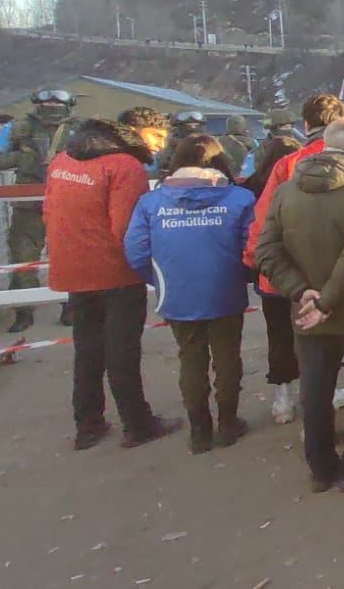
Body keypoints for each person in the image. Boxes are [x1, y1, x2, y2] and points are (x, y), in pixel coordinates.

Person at [255, 118, 344, 494]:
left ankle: (320, 468)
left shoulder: (286, 191)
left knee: (315, 388)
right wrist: (327, 299)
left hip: (307, 309)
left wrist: (303, 293)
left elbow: (265, 250)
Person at [242, 94, 344, 420]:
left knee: (314, 367)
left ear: (306, 125)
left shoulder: (287, 166)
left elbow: (264, 225)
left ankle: (313, 438)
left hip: (300, 280)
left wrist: (274, 277)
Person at [46, 112, 181, 450]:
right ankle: (137, 423)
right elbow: (127, 228)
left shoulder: (63, 158)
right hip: (114, 271)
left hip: (72, 267)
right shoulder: (125, 166)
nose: (160, 145)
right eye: (156, 136)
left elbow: (48, 210)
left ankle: (88, 424)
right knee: (122, 350)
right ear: (134, 131)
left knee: (87, 348)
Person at [124, 135, 257, 454]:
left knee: (190, 358)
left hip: (177, 292)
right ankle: (228, 423)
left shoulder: (152, 202)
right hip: (225, 289)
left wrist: (160, 278)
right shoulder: (239, 199)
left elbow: (136, 250)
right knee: (228, 356)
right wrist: (244, 276)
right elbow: (251, 247)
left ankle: (200, 431)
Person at [0, 86, 80, 333]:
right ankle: (23, 311)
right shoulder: (17, 128)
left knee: (70, 258)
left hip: (68, 204)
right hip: (28, 205)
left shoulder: (82, 130)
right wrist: (20, 159)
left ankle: (72, 308)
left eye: (58, 101)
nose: (53, 105)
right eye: (49, 101)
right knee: (23, 261)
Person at [243, 133, 304, 423]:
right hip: (303, 275)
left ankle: (282, 400)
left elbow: (253, 235)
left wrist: (254, 264)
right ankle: (312, 392)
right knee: (310, 336)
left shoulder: (252, 188)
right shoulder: (301, 184)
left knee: (278, 335)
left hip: (270, 278)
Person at [154, 110, 208, 177]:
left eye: (196, 126)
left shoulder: (213, 150)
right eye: (188, 126)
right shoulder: (164, 154)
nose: (192, 128)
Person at [216, 114, 256, 179]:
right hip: (245, 179)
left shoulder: (219, 141)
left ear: (228, 125)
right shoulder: (252, 142)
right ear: (243, 126)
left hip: (224, 179)